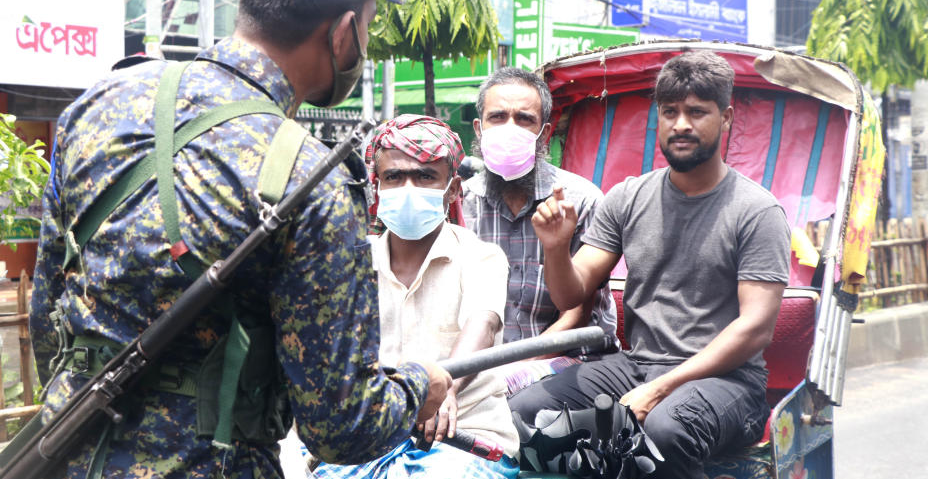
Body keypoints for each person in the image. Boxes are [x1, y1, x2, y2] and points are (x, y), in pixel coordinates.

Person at [29, 0, 450, 477]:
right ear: (343, 31)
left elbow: (46, 314)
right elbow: (340, 427)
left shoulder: (100, 103)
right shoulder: (312, 179)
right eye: (368, 28)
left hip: (66, 452)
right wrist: (421, 384)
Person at [507, 51, 791, 478]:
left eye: (697, 112)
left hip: (730, 382)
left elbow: (755, 329)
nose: (681, 124)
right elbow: (571, 293)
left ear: (727, 117)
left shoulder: (757, 211)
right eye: (670, 111)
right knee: (524, 410)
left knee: (663, 429)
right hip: (637, 364)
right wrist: (556, 247)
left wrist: (658, 389)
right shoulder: (628, 196)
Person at [312, 115, 520, 478]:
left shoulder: (481, 256)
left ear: (453, 188)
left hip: (467, 440)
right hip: (372, 441)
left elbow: (482, 325)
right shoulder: (353, 264)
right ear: (377, 187)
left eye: (425, 176)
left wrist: (442, 387)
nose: (408, 186)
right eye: (394, 177)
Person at [462, 67, 617, 395]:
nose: (509, 128)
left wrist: (514, 368)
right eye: (498, 117)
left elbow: (576, 313)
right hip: (486, 363)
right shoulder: (463, 203)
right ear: (479, 128)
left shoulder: (580, 201)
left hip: (572, 358)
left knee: (511, 404)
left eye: (523, 119)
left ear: (544, 134)